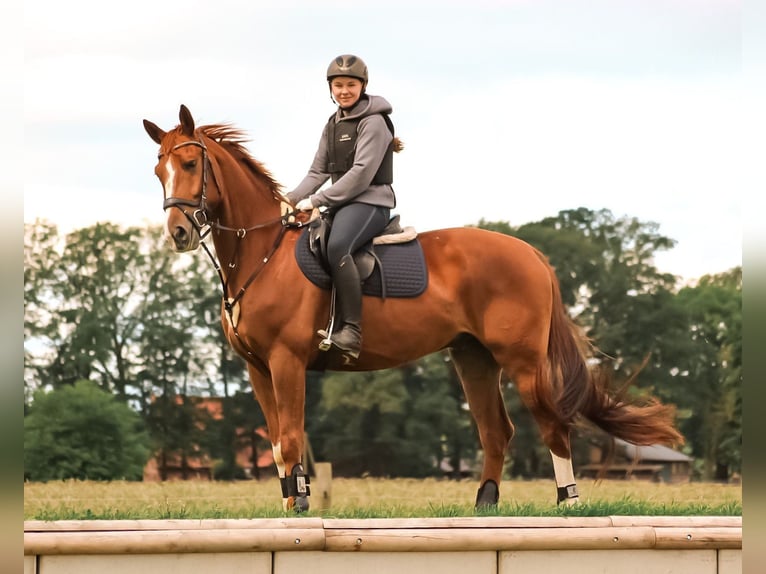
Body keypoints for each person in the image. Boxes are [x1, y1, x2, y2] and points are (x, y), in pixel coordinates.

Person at [287, 54, 402, 360]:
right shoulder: (333, 123)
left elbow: (361, 174)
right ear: (331, 88)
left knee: (338, 246)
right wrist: (289, 198)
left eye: (350, 84)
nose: (344, 91)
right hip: (342, 204)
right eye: (338, 85)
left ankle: (351, 331)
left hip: (371, 202)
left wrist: (317, 200)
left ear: (363, 86)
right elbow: (318, 171)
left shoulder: (374, 122)